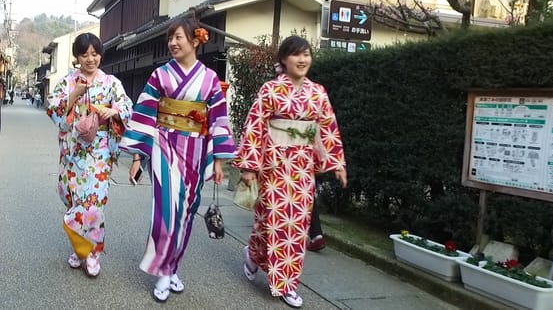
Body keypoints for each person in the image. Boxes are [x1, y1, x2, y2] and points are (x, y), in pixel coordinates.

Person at [119, 17, 235, 303]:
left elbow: (218, 118)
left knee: (186, 210)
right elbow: (145, 114)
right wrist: (137, 156)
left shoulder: (209, 79)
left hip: (195, 150)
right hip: (164, 145)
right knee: (167, 211)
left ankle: (172, 266)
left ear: (195, 40)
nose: (172, 43)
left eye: (178, 37)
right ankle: (161, 271)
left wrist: (219, 160)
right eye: (170, 38)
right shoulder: (160, 76)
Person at [232, 35, 347, 308]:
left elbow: (327, 129)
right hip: (273, 166)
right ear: (284, 59)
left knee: (296, 226)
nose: (303, 59)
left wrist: (336, 163)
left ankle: (286, 284)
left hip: (302, 168)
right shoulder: (270, 90)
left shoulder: (317, 92)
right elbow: (255, 126)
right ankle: (253, 254)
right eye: (297, 55)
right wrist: (250, 166)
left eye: (307, 54)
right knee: (269, 220)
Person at [46, 32, 133, 278]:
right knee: (72, 201)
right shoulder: (67, 81)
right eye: (85, 55)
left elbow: (127, 108)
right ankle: (79, 247)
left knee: (94, 203)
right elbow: (53, 108)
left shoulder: (112, 83)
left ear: (100, 55)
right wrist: (73, 95)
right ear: (77, 57)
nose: (90, 59)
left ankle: (91, 252)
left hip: (100, 151)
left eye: (94, 54)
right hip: (73, 151)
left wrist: (112, 111)